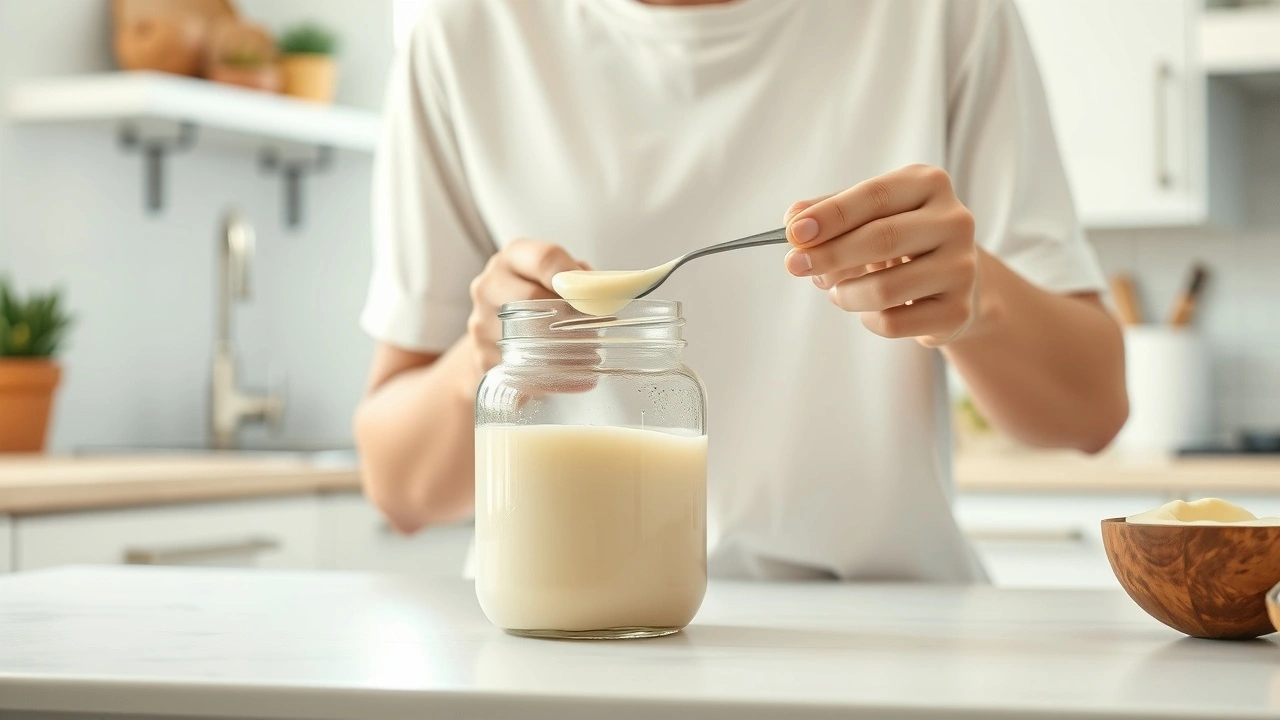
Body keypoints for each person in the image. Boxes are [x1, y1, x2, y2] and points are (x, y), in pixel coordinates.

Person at [354, 0, 1128, 582]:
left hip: (886, 636)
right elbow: (397, 487)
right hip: (564, 621)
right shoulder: (464, 33)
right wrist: (489, 361)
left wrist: (976, 298)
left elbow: (1093, 412)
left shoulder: (944, 15)